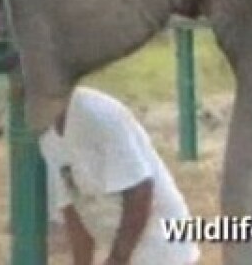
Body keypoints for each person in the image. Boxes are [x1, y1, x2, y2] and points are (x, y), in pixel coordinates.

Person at [40, 87, 200, 265]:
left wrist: (117, 260)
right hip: (121, 244)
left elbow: (140, 191)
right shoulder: (47, 136)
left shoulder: (97, 114)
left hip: (159, 244)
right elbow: (74, 211)